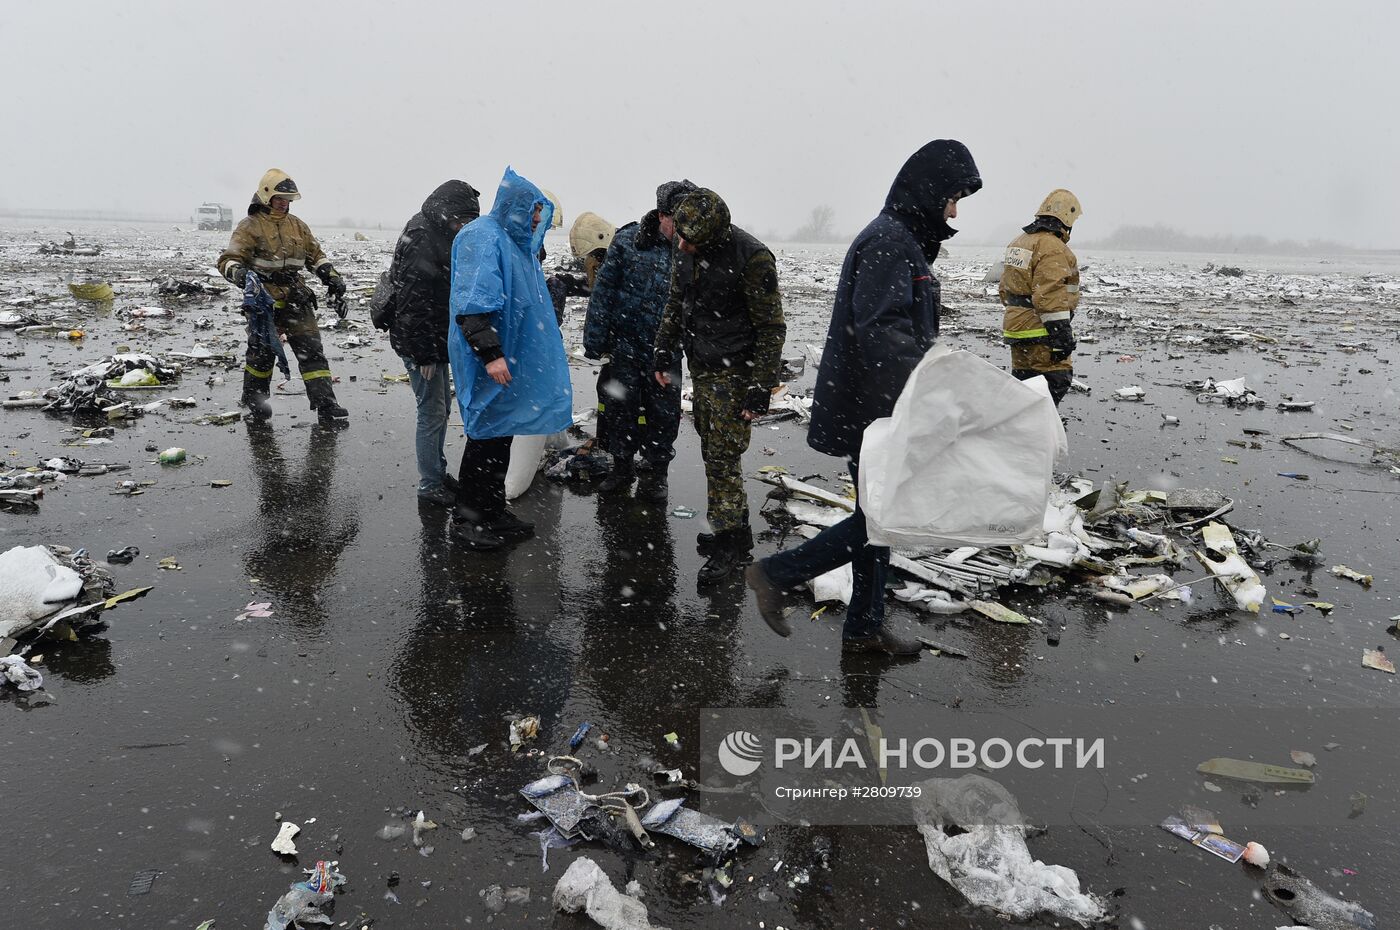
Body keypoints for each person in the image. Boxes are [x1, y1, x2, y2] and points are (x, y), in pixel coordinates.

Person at [745, 139, 982, 655]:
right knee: (882, 517)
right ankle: (777, 574)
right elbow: (881, 332)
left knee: (880, 516)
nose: (955, 210)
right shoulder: (889, 242)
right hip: (874, 411)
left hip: (879, 406)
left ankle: (864, 627)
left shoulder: (902, 240)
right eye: (953, 197)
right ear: (929, 191)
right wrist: (931, 387)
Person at [653, 188, 785, 585]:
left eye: (692, 241)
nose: (684, 246)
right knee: (712, 448)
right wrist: (663, 350)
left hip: (737, 370)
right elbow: (676, 303)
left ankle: (731, 548)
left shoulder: (752, 258)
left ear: (714, 235)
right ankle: (737, 531)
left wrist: (760, 386)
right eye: (682, 237)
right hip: (704, 363)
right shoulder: (686, 247)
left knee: (723, 457)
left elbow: (771, 327)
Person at [447, 167, 573, 550]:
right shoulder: (482, 238)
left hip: (511, 356)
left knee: (502, 434)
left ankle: (492, 511)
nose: (538, 219)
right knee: (485, 437)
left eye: (540, 212)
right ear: (516, 205)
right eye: (535, 210)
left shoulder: (518, 245)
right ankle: (468, 520)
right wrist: (490, 354)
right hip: (490, 358)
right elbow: (471, 306)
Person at [585, 180, 694, 502]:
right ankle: (622, 466)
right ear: (662, 215)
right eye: (679, 220)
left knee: (664, 412)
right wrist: (596, 338)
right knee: (621, 408)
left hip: (668, 351)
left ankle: (657, 470)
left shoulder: (692, 247)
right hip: (626, 345)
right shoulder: (628, 242)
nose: (685, 228)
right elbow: (603, 293)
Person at [218, 168, 350, 424]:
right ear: (266, 196)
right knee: (261, 354)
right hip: (263, 302)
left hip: (296, 297)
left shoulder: (297, 226)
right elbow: (227, 260)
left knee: (312, 352)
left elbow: (315, 256)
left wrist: (331, 276)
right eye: (280, 198)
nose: (284, 204)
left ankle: (326, 405)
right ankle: (256, 404)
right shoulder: (250, 226)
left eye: (288, 200)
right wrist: (242, 275)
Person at [387, 180, 482, 506]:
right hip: (420, 343)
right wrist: (424, 354)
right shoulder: (423, 237)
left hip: (431, 337)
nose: (464, 227)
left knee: (441, 408)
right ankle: (430, 485)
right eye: (463, 220)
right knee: (431, 411)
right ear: (449, 213)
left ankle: (438, 473)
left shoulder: (436, 230)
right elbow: (413, 302)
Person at [1000, 189, 1082, 405]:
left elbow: (1005, 289)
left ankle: (1022, 432)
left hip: (1016, 328)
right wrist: (1061, 335)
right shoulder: (1053, 248)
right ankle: (1040, 435)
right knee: (1055, 381)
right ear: (1067, 218)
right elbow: (1050, 294)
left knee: (1025, 386)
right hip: (1040, 330)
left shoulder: (1019, 242)